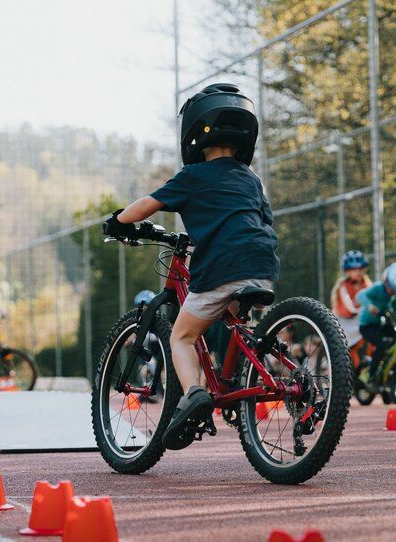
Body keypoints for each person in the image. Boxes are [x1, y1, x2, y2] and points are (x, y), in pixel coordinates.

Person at [104, 82, 279, 450]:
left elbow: (146, 206)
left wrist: (119, 220)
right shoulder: (253, 180)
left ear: (194, 134)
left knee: (181, 336)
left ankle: (196, 393)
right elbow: (266, 218)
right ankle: (235, 385)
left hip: (222, 265)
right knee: (237, 323)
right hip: (262, 262)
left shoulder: (192, 177)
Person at [356, 262, 396, 390]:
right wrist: (370, 305)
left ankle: (394, 361)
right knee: (381, 345)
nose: (391, 293)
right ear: (386, 282)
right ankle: (370, 375)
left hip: (381, 323)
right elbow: (360, 295)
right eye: (390, 290)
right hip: (367, 325)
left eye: (394, 292)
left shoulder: (394, 295)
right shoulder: (378, 288)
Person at [330, 250, 372, 348]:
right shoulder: (343, 285)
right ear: (348, 271)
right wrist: (356, 309)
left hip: (357, 320)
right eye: (354, 269)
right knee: (346, 350)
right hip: (341, 321)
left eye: (360, 269)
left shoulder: (366, 284)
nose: (358, 272)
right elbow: (347, 302)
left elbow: (376, 296)